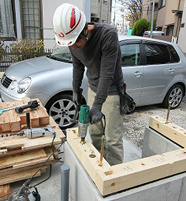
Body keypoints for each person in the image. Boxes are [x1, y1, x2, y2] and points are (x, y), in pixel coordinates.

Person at [53, 3, 124, 165]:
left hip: (112, 92)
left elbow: (107, 73)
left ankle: (115, 174)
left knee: (112, 138)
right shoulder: (72, 41)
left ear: (85, 30)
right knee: (95, 132)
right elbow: (77, 66)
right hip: (93, 90)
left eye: (76, 42)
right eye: (70, 44)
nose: (73, 47)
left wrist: (98, 105)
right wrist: (75, 90)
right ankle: (100, 166)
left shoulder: (107, 35)